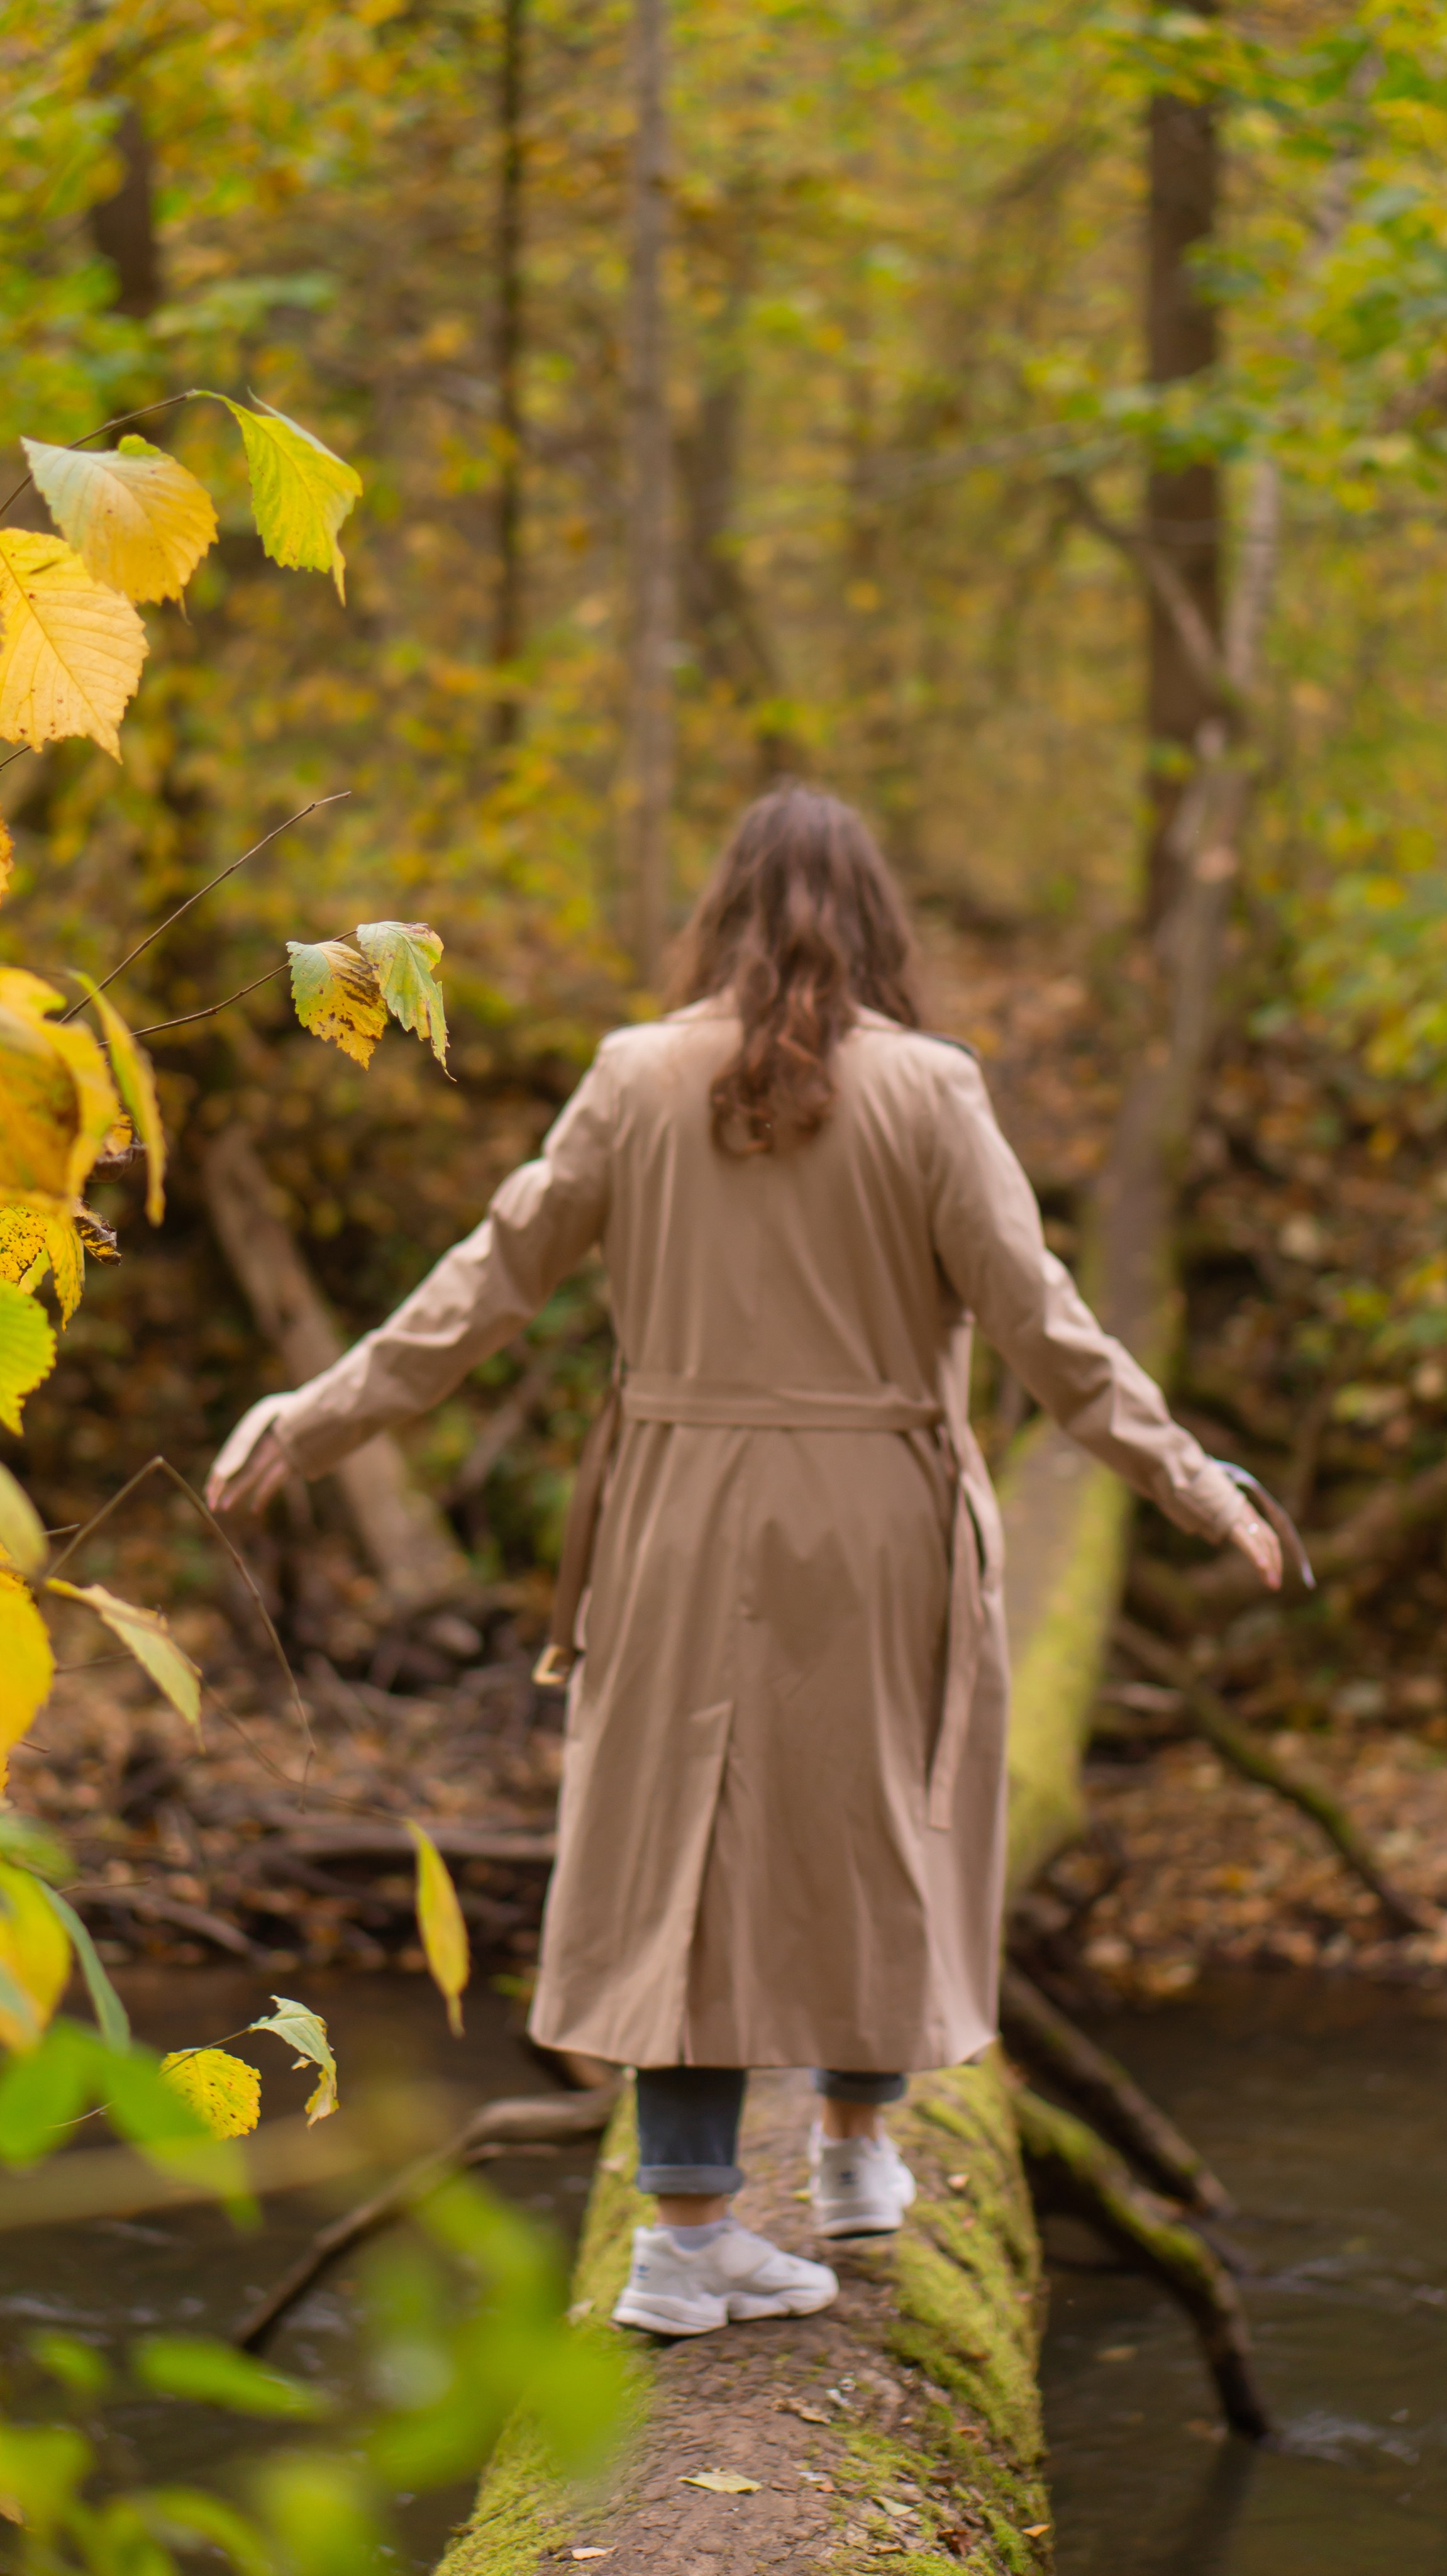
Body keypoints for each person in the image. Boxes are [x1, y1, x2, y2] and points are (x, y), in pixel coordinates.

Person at [208, 784, 1281, 2340]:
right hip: (880, 1517)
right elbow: (1051, 1334)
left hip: (681, 1510)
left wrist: (307, 1419)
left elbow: (482, 1288)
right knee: (883, 1811)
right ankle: (854, 2153)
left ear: (718, 911)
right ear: (878, 924)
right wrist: (1197, 1487)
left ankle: (689, 2231)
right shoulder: (932, 1087)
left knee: (679, 1847)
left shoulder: (632, 1076)